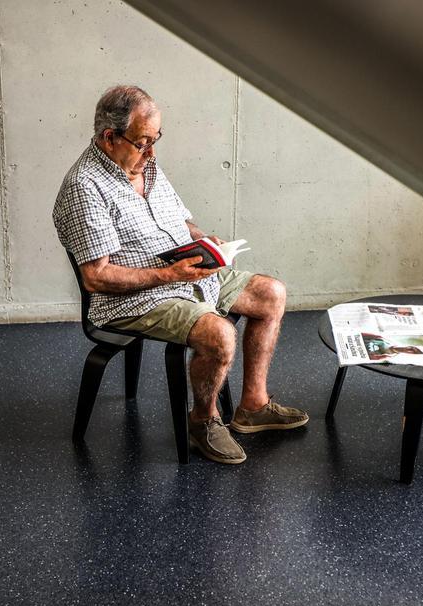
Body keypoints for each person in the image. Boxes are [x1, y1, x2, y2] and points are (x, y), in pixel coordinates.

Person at [53, 85, 307, 465]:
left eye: (156, 140)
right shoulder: (84, 188)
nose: (152, 152)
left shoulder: (144, 163)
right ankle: (203, 421)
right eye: (143, 142)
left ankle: (252, 405)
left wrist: (202, 239)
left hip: (185, 272)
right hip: (135, 298)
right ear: (109, 137)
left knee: (271, 293)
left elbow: (179, 220)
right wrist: (169, 274)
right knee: (219, 334)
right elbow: (97, 277)